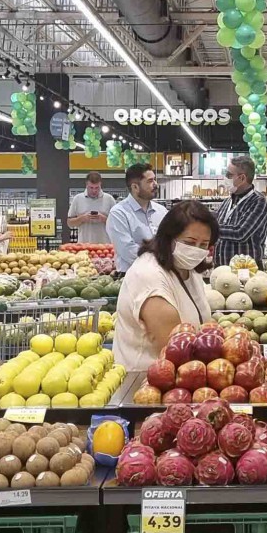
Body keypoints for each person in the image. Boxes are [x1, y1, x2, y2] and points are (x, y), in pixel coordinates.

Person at [111, 201, 218, 401]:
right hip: (146, 388)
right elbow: (174, 349)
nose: (197, 250)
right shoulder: (149, 276)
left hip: (181, 385)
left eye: (204, 245)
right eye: (190, 242)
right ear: (169, 238)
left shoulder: (185, 266)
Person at [214, 154, 267, 265]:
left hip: (246, 273)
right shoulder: (226, 202)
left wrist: (210, 228)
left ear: (242, 178)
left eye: (229, 175)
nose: (225, 178)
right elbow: (217, 226)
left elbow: (240, 232)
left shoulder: (259, 202)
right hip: (222, 270)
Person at [108, 162, 163, 271]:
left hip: (161, 276)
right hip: (132, 277)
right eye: (150, 181)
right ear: (135, 187)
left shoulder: (161, 211)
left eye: (155, 179)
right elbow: (128, 251)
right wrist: (161, 260)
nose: (155, 184)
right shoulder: (119, 213)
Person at [68, 173, 113, 247]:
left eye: (97, 187)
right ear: (86, 185)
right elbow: (69, 223)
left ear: (100, 184)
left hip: (105, 247)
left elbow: (117, 224)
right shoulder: (77, 199)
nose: (94, 190)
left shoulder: (109, 199)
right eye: (91, 187)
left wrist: (104, 219)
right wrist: (82, 219)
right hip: (83, 246)